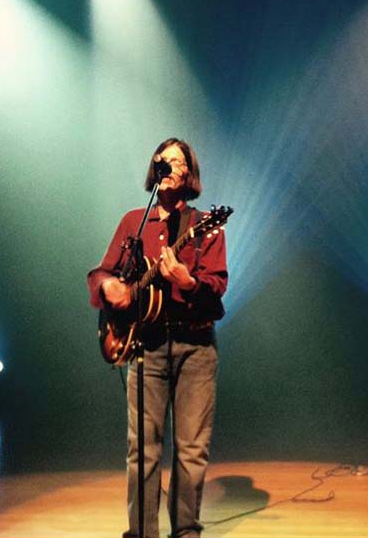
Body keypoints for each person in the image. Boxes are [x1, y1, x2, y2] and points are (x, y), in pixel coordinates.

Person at [87, 138, 228, 538]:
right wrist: (110, 288)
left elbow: (216, 293)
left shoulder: (205, 227)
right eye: (162, 160)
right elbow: (99, 273)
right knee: (143, 451)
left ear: (189, 174)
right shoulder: (135, 221)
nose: (168, 166)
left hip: (196, 348)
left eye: (177, 161)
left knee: (190, 452)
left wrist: (187, 282)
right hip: (145, 348)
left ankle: (185, 531)